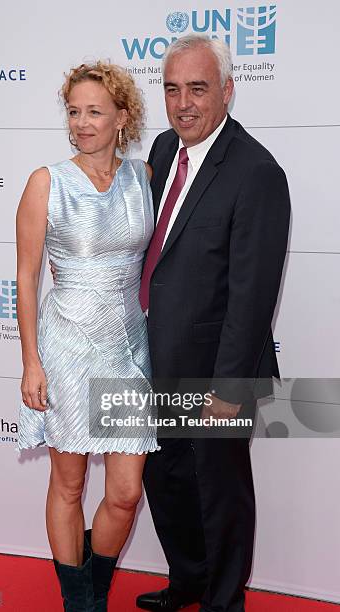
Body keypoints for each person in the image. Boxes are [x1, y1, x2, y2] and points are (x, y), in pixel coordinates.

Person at [136, 35, 291, 612]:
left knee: (220, 494)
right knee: (166, 481)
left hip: (215, 374)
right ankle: (188, 583)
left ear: (227, 91)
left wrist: (229, 390)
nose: (183, 104)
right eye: (172, 89)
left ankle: (224, 601)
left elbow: (253, 297)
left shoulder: (256, 172)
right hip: (154, 360)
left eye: (197, 88)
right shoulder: (159, 147)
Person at [16, 61, 160, 612]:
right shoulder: (46, 182)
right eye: (74, 111)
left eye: (95, 112)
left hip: (127, 348)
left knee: (124, 494)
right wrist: (32, 363)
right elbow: (27, 280)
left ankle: (94, 588)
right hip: (67, 346)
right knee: (69, 484)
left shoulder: (142, 177)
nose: (81, 123)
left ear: (122, 117)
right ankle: (80, 602)